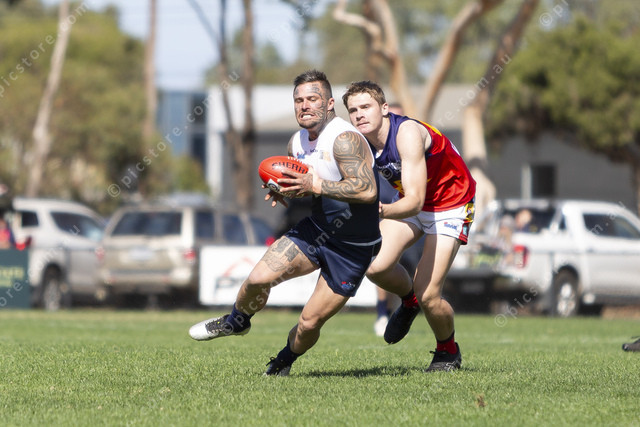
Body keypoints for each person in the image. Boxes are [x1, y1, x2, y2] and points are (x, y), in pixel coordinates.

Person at [188, 70, 382, 376]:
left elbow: (367, 190)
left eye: (313, 99)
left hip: (353, 247)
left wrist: (314, 185)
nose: (304, 106)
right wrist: (285, 191)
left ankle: (282, 362)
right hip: (317, 231)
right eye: (298, 100)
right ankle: (236, 321)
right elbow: (308, 186)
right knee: (257, 279)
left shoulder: (344, 139)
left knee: (309, 323)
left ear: (330, 103)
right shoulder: (296, 143)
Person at [342, 81, 476, 372]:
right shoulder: (359, 140)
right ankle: (409, 300)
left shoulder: (407, 134)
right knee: (374, 266)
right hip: (412, 201)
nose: (359, 114)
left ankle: (448, 351)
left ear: (384, 108)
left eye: (365, 107)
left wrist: (379, 210)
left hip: (450, 204)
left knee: (430, 295)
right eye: (353, 110)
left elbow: (415, 202)